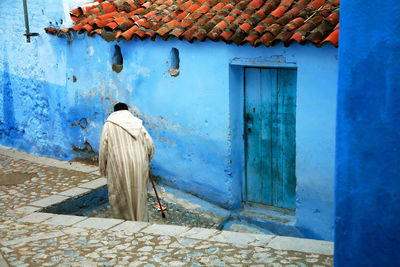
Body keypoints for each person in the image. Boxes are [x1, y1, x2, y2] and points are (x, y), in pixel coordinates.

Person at [99, 102, 155, 221]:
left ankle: (124, 222)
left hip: (119, 163)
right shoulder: (138, 124)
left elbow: (103, 148)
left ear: (114, 112)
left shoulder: (109, 125)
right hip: (139, 162)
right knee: (139, 192)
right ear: (127, 111)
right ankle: (139, 218)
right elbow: (150, 145)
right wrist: (146, 160)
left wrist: (103, 169)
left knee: (120, 193)